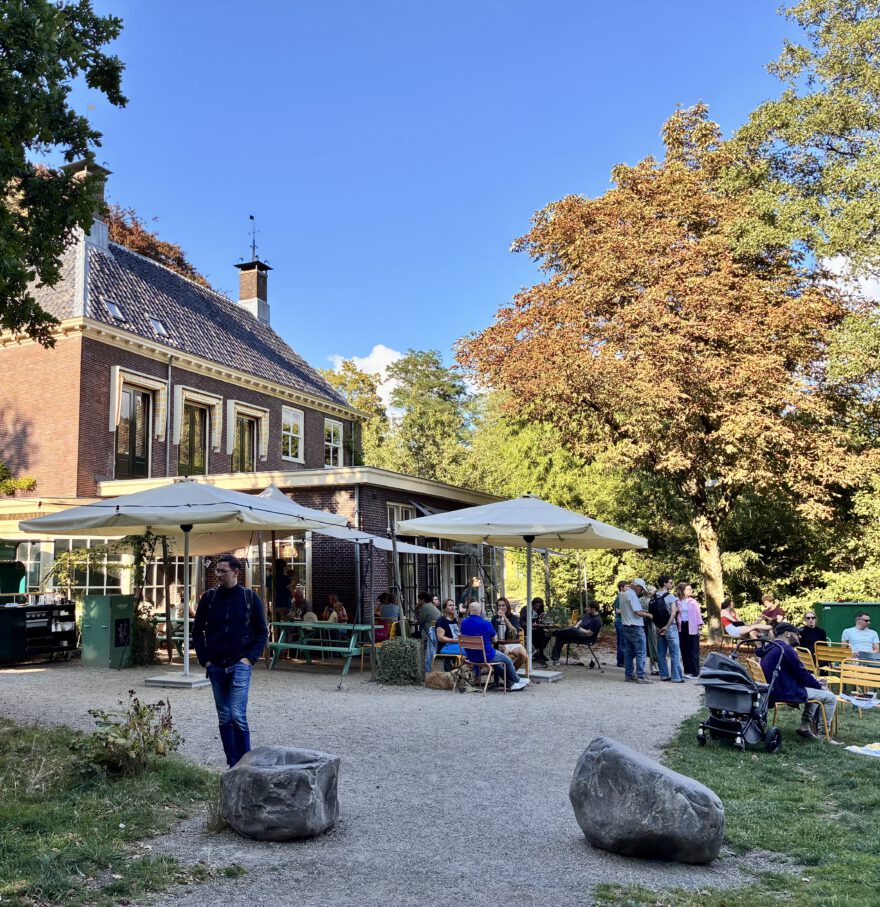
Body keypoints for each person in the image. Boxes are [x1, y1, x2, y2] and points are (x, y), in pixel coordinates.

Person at [192, 554, 269, 768]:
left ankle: (246, 765)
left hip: (240, 664)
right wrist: (205, 660)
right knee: (224, 716)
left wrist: (249, 658)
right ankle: (232, 765)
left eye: (222, 571)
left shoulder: (249, 598)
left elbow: (263, 632)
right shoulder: (209, 598)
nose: (218, 575)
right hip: (215, 665)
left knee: (237, 715)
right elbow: (197, 632)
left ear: (236, 572)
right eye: (217, 571)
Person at [760, 623, 840, 742]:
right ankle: (824, 735)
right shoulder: (787, 649)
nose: (800, 637)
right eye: (797, 634)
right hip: (785, 691)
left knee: (816, 688)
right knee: (831, 698)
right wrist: (820, 686)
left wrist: (814, 682)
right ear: (787, 633)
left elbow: (795, 672)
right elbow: (803, 675)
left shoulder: (770, 647)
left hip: (774, 688)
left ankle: (805, 727)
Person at [460, 602, 530, 691]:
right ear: (481, 611)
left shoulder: (463, 622)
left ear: (469, 611)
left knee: (497, 666)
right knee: (507, 660)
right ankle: (517, 680)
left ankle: (511, 683)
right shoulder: (486, 623)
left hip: (470, 656)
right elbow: (495, 640)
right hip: (487, 655)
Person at [649, 575, 683, 682]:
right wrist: (667, 626)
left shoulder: (654, 596)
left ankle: (664, 675)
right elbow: (673, 613)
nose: (672, 584)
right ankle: (676, 677)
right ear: (664, 583)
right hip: (670, 627)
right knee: (675, 652)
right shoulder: (671, 597)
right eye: (670, 582)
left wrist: (658, 626)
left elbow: (651, 614)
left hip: (658, 627)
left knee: (661, 652)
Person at [619, 578, 651, 683]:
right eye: (641, 589)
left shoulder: (623, 594)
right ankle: (640, 676)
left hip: (625, 626)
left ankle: (628, 675)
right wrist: (649, 615)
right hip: (635, 626)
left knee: (629, 652)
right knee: (641, 652)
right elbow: (637, 612)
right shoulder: (632, 595)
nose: (641, 591)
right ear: (638, 587)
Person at [491, 596, 528, 671]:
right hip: (500, 644)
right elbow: (491, 632)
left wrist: (505, 618)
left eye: (503, 605)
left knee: (523, 655)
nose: (501, 607)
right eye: (499, 606)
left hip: (513, 643)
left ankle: (511, 673)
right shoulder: (495, 618)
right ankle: (504, 676)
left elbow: (515, 631)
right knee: (503, 654)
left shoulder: (513, 617)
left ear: (507, 606)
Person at [632, 579, 659, 675]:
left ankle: (643, 668)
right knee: (653, 646)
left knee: (643, 646)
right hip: (650, 624)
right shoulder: (652, 601)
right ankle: (654, 667)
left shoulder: (639, 599)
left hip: (641, 624)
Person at [676, 582, 704, 677]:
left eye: (691, 589)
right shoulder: (677, 601)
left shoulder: (693, 602)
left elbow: (698, 615)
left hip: (692, 626)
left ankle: (695, 672)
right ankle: (687, 671)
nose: (691, 590)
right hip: (681, 626)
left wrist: (699, 627)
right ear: (683, 591)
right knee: (684, 649)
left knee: (693, 649)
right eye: (688, 589)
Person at [520, 596, 551, 665]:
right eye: (536, 605)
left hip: (536, 629)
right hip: (527, 629)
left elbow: (539, 622)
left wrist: (542, 619)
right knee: (541, 633)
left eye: (539, 606)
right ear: (533, 604)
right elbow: (522, 621)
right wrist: (530, 625)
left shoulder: (539, 611)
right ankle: (537, 654)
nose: (538, 607)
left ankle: (540, 653)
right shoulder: (526, 609)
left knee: (547, 634)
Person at [435, 598, 462, 670]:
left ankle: (461, 672)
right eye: (450, 605)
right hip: (445, 647)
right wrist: (454, 641)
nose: (452, 607)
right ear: (444, 608)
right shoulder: (442, 621)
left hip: (455, 645)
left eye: (453, 605)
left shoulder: (454, 620)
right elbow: (440, 638)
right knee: (466, 651)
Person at [613, 580, 627, 668]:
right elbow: (617, 610)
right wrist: (628, 612)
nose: (628, 588)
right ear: (621, 588)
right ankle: (621, 661)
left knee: (621, 642)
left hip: (621, 622)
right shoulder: (620, 597)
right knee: (622, 642)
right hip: (620, 622)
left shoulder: (623, 596)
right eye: (627, 586)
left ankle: (621, 661)